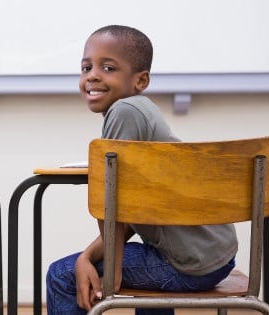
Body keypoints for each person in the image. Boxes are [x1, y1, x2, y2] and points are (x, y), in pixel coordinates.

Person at [45, 25, 238, 315]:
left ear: (141, 80)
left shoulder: (125, 112)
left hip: (186, 263)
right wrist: (88, 256)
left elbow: (111, 204)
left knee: (61, 275)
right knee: (131, 271)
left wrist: (112, 265)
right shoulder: (142, 111)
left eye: (108, 67)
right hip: (215, 256)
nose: (92, 75)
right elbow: (130, 217)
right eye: (86, 67)